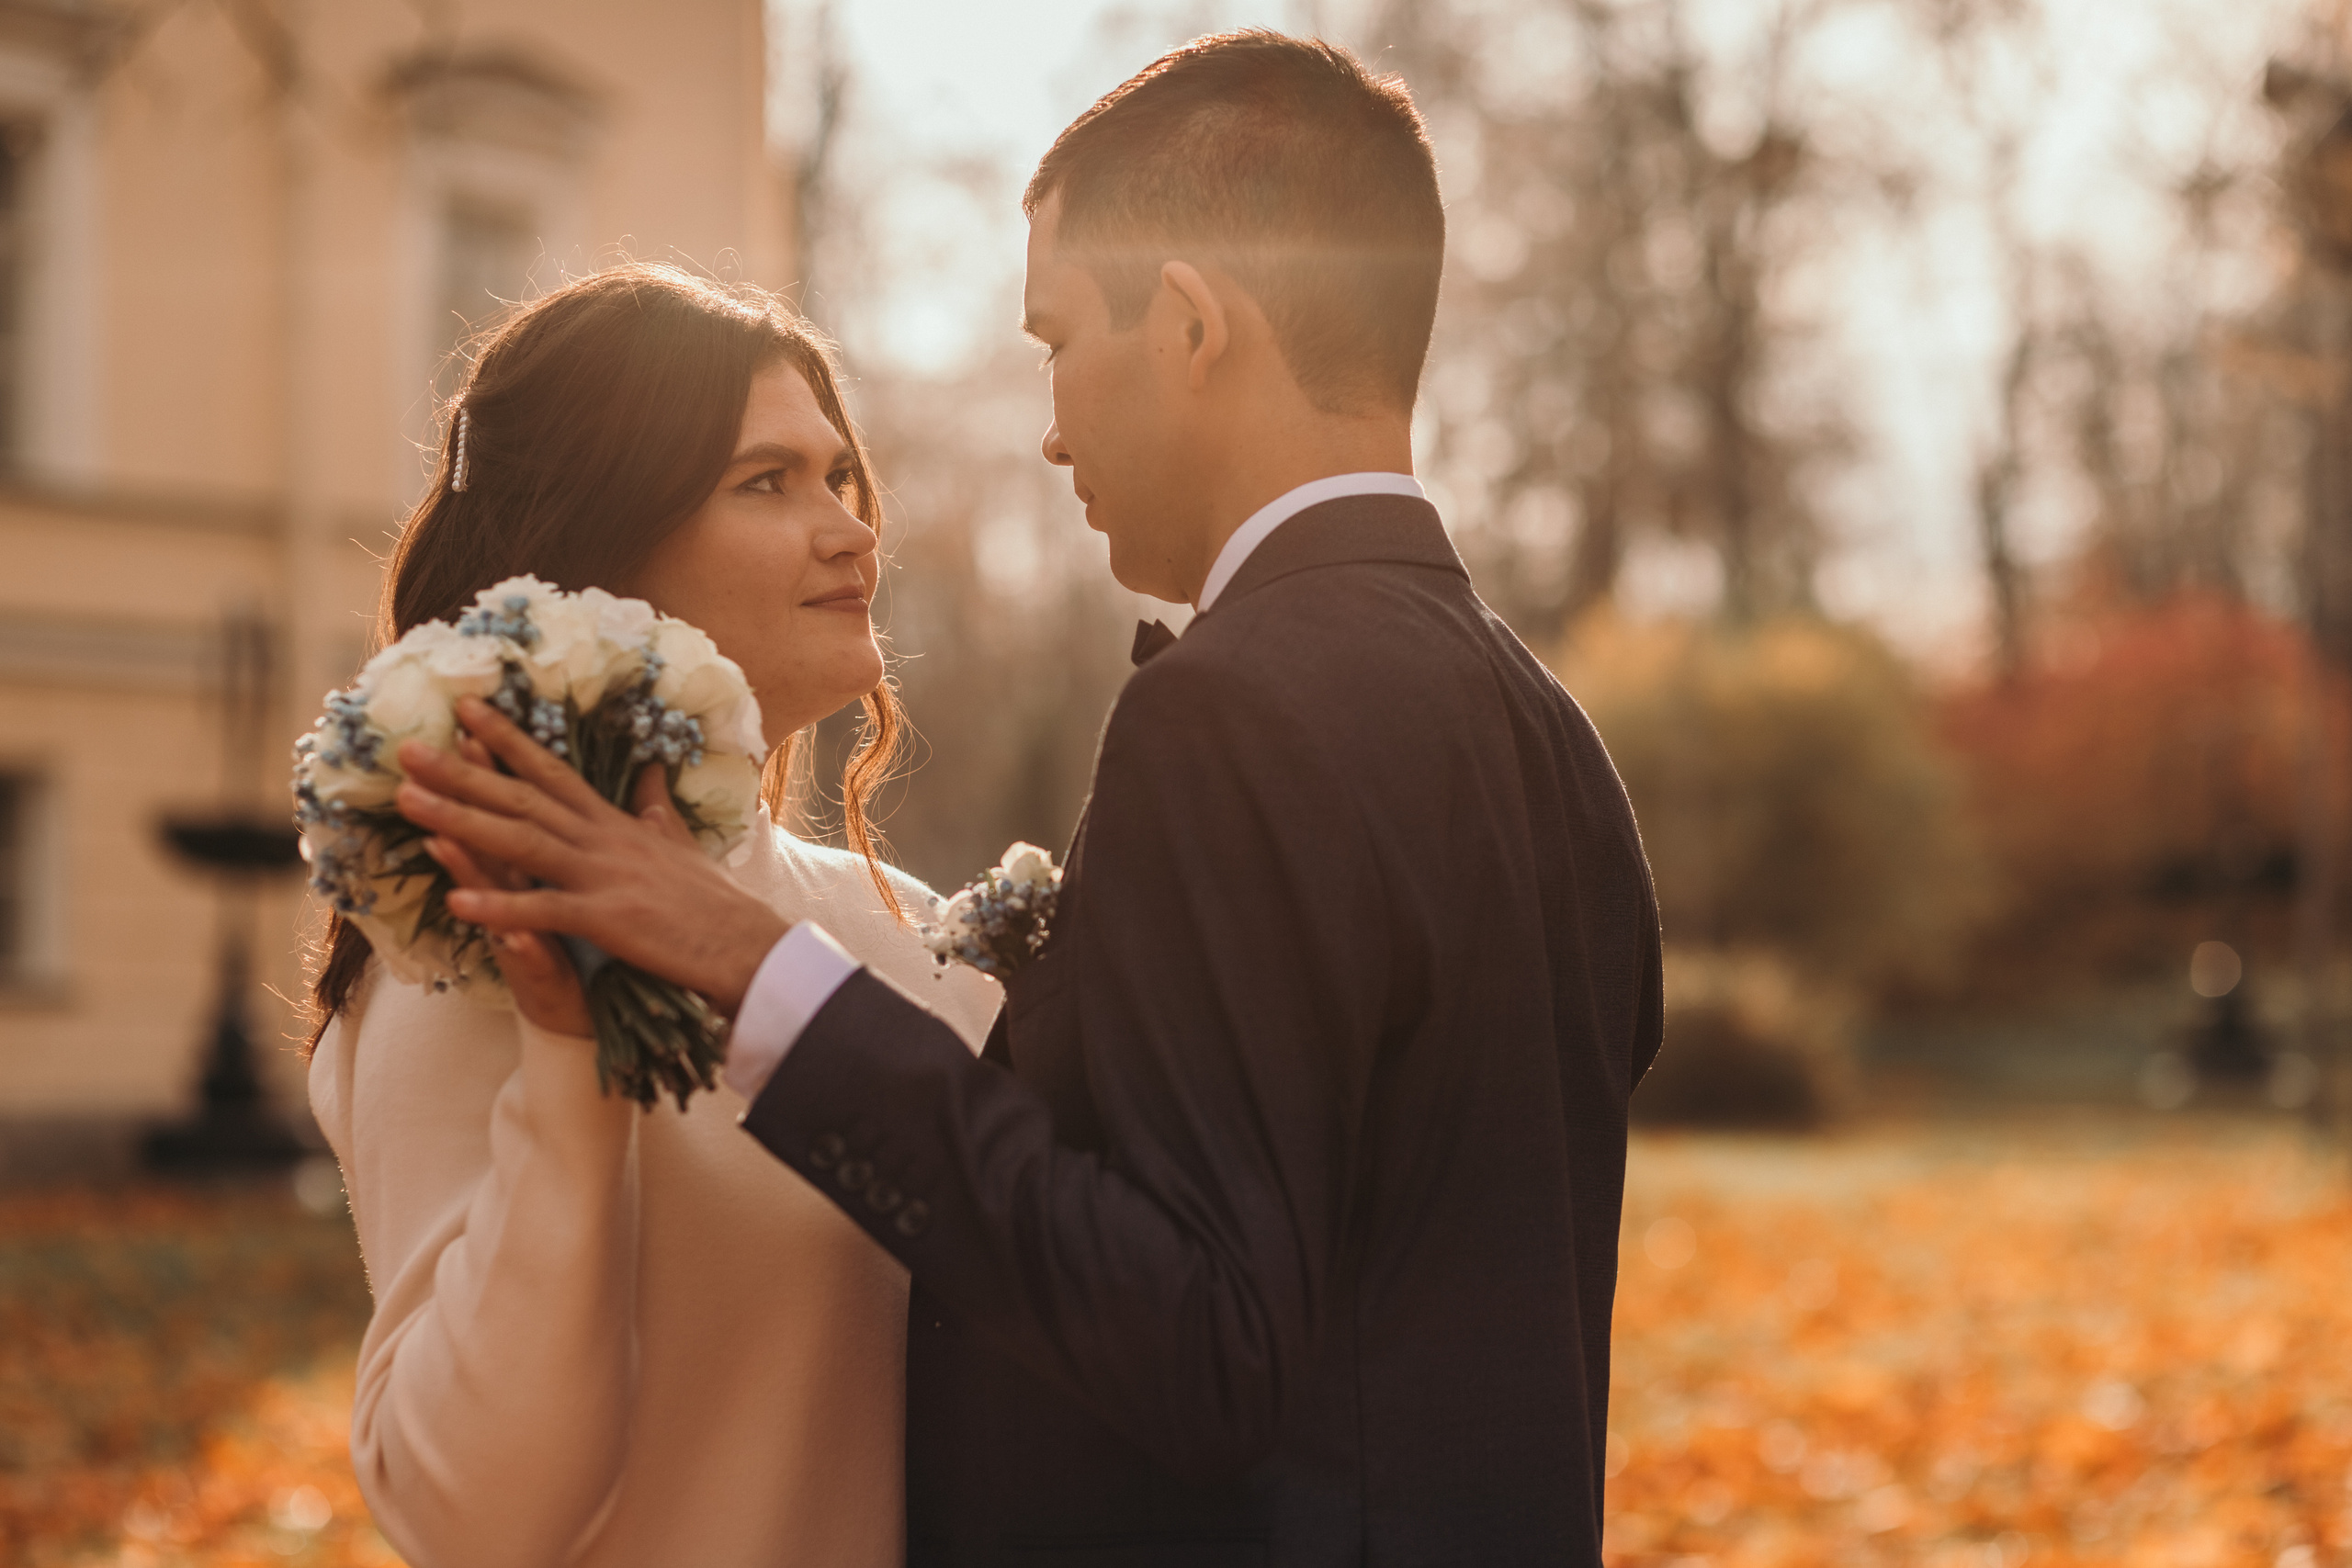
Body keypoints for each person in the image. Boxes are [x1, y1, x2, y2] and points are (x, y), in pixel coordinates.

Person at [401, 31, 1664, 1567]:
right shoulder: (1559, 742)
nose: (1053, 422)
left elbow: (1203, 1336)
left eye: (1057, 338)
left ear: (1191, 324)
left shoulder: (1237, 712)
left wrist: (744, 970)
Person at [305, 263, 1001, 1568]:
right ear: (603, 548)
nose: (852, 530)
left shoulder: (918, 933)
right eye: (768, 483)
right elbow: (475, 1520)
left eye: (840, 476)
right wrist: (577, 1057)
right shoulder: (468, 951)